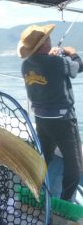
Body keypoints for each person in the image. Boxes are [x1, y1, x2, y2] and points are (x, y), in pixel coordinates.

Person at [18, 23, 83, 201]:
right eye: (48, 39)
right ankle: (65, 202)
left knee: (44, 158)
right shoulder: (56, 62)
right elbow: (78, 67)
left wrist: (55, 55)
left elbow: (45, 68)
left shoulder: (25, 66)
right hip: (63, 121)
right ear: (44, 44)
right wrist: (71, 52)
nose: (50, 40)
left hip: (42, 121)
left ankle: (36, 193)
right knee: (75, 166)